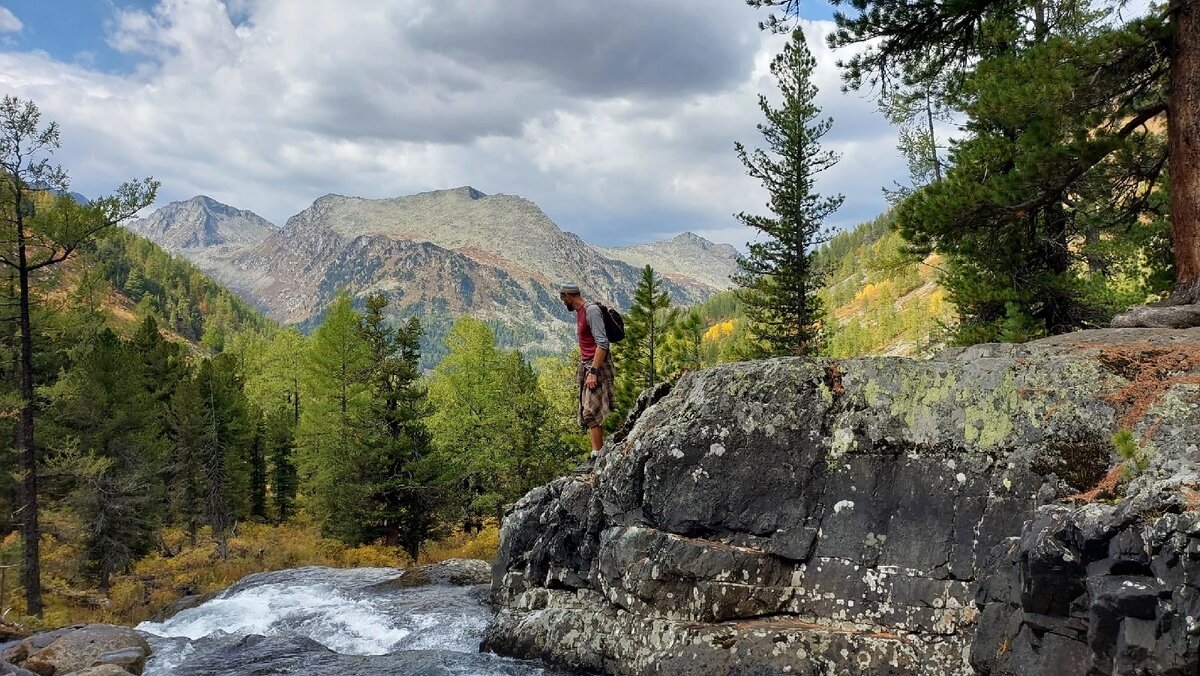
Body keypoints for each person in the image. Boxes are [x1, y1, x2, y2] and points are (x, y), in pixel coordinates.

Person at [559, 282, 614, 457]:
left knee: (590, 412)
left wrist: (594, 372)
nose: (563, 302)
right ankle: (596, 452)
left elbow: (603, 344)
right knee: (587, 411)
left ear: (568, 296)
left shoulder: (591, 311)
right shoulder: (580, 312)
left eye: (563, 298)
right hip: (587, 365)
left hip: (597, 366)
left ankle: (597, 455)